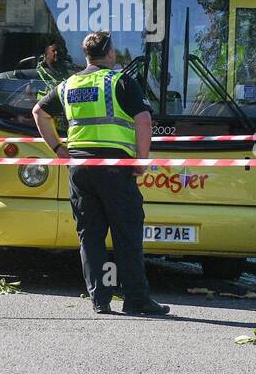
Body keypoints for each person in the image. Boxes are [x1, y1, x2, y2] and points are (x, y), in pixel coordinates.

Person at [32, 31, 170, 317]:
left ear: (86, 55)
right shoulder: (120, 81)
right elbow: (143, 119)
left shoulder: (69, 84)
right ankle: (136, 300)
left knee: (90, 234)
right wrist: (141, 160)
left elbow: (38, 112)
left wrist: (58, 147)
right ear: (110, 54)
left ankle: (99, 299)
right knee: (127, 232)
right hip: (115, 168)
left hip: (80, 168)